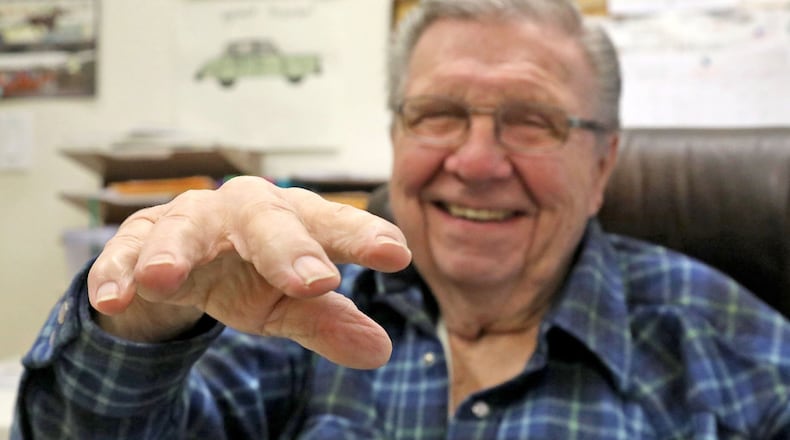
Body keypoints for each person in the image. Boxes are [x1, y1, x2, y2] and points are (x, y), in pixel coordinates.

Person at [13, 0, 790, 438]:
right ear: (396, 137)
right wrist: (144, 327)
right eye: (439, 114)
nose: (478, 162)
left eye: (532, 121)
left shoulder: (731, 343)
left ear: (603, 166)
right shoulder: (288, 312)